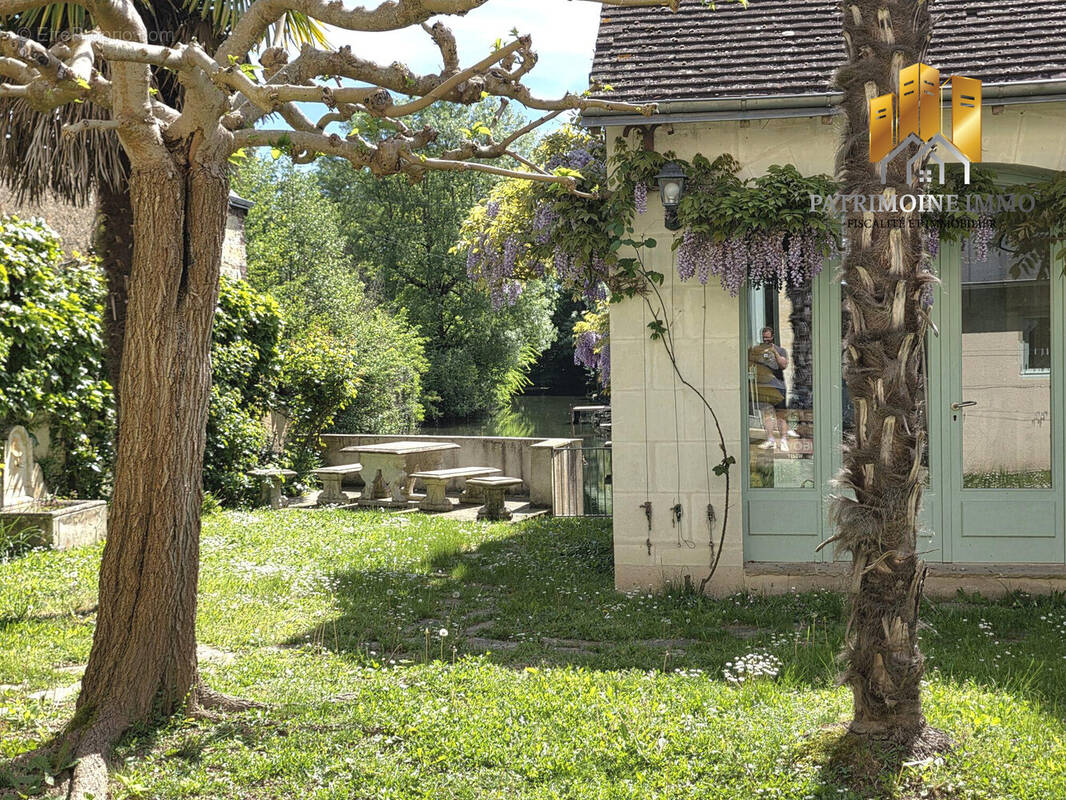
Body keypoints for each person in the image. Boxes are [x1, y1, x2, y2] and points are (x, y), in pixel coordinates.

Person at [748, 326, 796, 452]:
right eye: (764, 339)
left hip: (778, 386)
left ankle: (784, 440)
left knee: (781, 415)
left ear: (772, 337)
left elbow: (784, 365)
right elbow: (749, 363)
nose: (766, 341)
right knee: (766, 415)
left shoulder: (780, 350)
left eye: (768, 339)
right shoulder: (756, 350)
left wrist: (774, 352)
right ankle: (770, 440)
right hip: (763, 386)